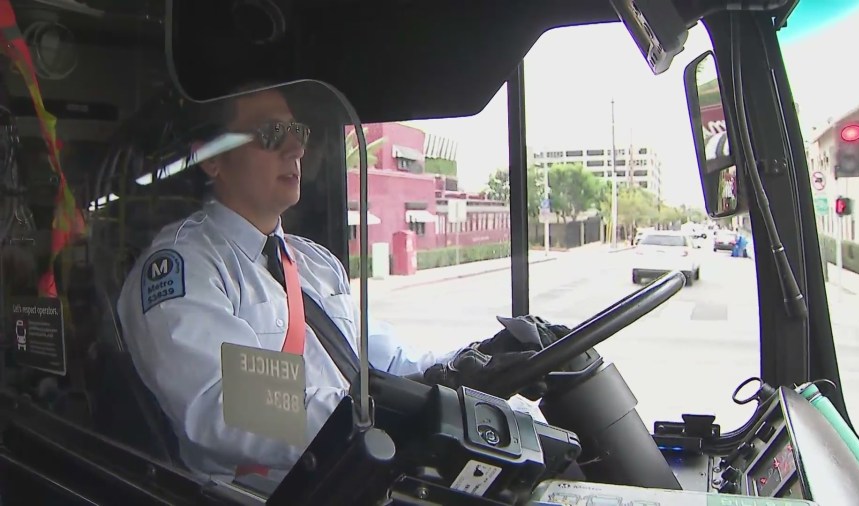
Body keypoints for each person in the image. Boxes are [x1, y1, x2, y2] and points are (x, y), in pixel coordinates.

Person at [115, 83, 547, 484]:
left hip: (362, 472)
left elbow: (384, 362)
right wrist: (389, 412)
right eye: (271, 133)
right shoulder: (183, 267)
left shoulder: (315, 262)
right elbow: (227, 403)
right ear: (211, 157)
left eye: (296, 130)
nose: (296, 146)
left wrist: (473, 362)